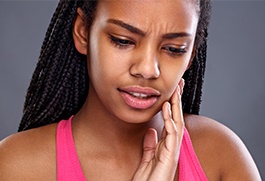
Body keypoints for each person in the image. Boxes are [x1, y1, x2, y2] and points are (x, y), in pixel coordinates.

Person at [0, 0, 261, 180]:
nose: (148, 69)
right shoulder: (15, 167)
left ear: (191, 54)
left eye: (173, 49)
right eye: (123, 41)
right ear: (82, 32)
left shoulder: (221, 157)